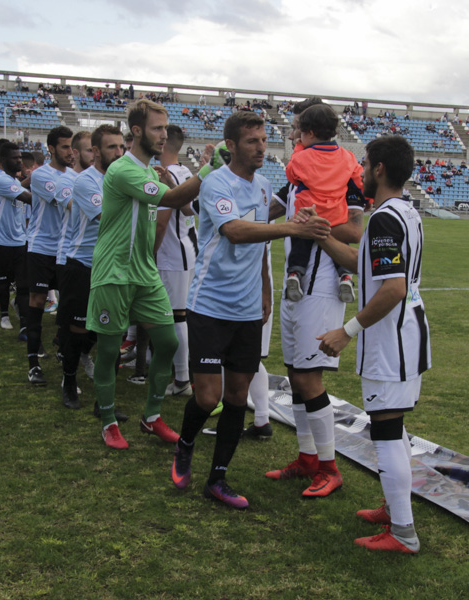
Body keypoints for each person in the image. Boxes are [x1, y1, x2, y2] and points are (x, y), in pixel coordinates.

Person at [170, 111, 330, 508]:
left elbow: (259, 243)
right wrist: (292, 227)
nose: (261, 147)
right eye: (252, 141)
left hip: (245, 310)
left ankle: (217, 480)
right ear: (231, 146)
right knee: (209, 397)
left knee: (239, 397)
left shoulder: (263, 187)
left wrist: (263, 288)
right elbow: (236, 232)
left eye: (263, 139)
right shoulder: (214, 183)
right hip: (209, 304)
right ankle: (186, 444)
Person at [85, 98, 225, 450]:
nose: (164, 135)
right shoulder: (124, 170)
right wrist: (207, 170)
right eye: (157, 129)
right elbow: (176, 198)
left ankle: (151, 418)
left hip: (145, 274)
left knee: (168, 342)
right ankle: (108, 421)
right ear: (137, 131)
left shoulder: (149, 171)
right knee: (108, 351)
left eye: (165, 128)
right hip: (114, 273)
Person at [312, 134, 429, 554]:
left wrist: (348, 330)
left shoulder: (382, 219)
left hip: (391, 339)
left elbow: (393, 288)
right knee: (392, 429)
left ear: (379, 169)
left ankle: (403, 533)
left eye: (364, 164)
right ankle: (394, 508)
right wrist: (321, 234)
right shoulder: (405, 213)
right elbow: (363, 266)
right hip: (407, 333)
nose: (360, 172)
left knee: (385, 430)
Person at [266, 97, 366, 498]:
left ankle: (329, 467)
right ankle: (308, 458)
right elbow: (274, 210)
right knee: (294, 374)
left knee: (308, 376)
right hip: (297, 281)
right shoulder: (298, 173)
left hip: (323, 283)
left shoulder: (347, 173)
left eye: (296, 129)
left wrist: (315, 228)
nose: (293, 136)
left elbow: (355, 232)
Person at [56, 124, 123, 412]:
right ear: (95, 151)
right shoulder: (86, 181)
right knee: (79, 331)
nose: (119, 153)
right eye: (111, 147)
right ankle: (69, 382)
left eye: (121, 147)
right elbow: (106, 215)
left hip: (114, 268)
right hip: (84, 266)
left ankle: (103, 401)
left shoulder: (123, 179)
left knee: (112, 335)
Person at [283, 103, 363, 305]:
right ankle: (345, 276)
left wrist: (300, 148)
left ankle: (294, 273)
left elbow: (292, 174)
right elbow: (358, 179)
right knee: (339, 244)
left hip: (308, 212)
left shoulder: (302, 156)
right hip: (336, 212)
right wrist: (367, 199)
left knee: (300, 240)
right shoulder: (347, 156)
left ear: (309, 132)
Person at [23, 126, 78, 385]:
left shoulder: (77, 177)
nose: (70, 152)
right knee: (37, 302)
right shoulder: (41, 175)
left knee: (68, 305)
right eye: (65, 147)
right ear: (52, 148)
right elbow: (70, 204)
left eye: (72, 147)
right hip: (42, 247)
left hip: (66, 249)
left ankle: (61, 347)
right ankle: (33, 363)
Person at [154, 124, 197, 398]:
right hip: (185, 249)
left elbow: (162, 222)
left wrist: (148, 255)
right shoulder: (185, 173)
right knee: (177, 316)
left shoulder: (164, 175)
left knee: (177, 317)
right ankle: (178, 371)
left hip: (172, 254)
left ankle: (182, 379)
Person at [0, 143, 32, 339]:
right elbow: (29, 198)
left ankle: (25, 327)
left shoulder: (13, 181)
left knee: (24, 286)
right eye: (14, 157)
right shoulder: (1, 180)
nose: (19, 160)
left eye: (20, 157)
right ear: (2, 161)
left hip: (19, 241)